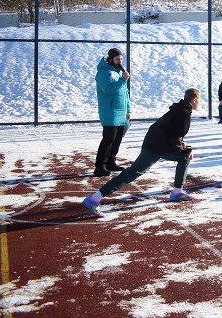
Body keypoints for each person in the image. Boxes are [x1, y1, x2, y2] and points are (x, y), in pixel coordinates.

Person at [82, 88, 201, 217]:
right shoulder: (184, 112)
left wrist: (185, 148)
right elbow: (175, 137)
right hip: (156, 146)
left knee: (185, 157)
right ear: (194, 100)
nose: (199, 103)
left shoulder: (180, 108)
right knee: (132, 173)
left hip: (158, 144)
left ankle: (177, 191)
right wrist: (186, 149)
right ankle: (94, 199)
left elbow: (173, 135)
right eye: (199, 100)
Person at [94, 48, 132, 177]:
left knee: (117, 139)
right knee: (108, 139)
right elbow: (108, 89)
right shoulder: (103, 73)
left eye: (121, 59)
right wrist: (123, 80)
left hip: (121, 111)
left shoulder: (118, 72)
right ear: (110, 59)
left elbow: (125, 93)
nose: (119, 61)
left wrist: (128, 109)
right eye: (117, 59)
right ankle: (99, 166)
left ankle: (111, 162)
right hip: (110, 111)